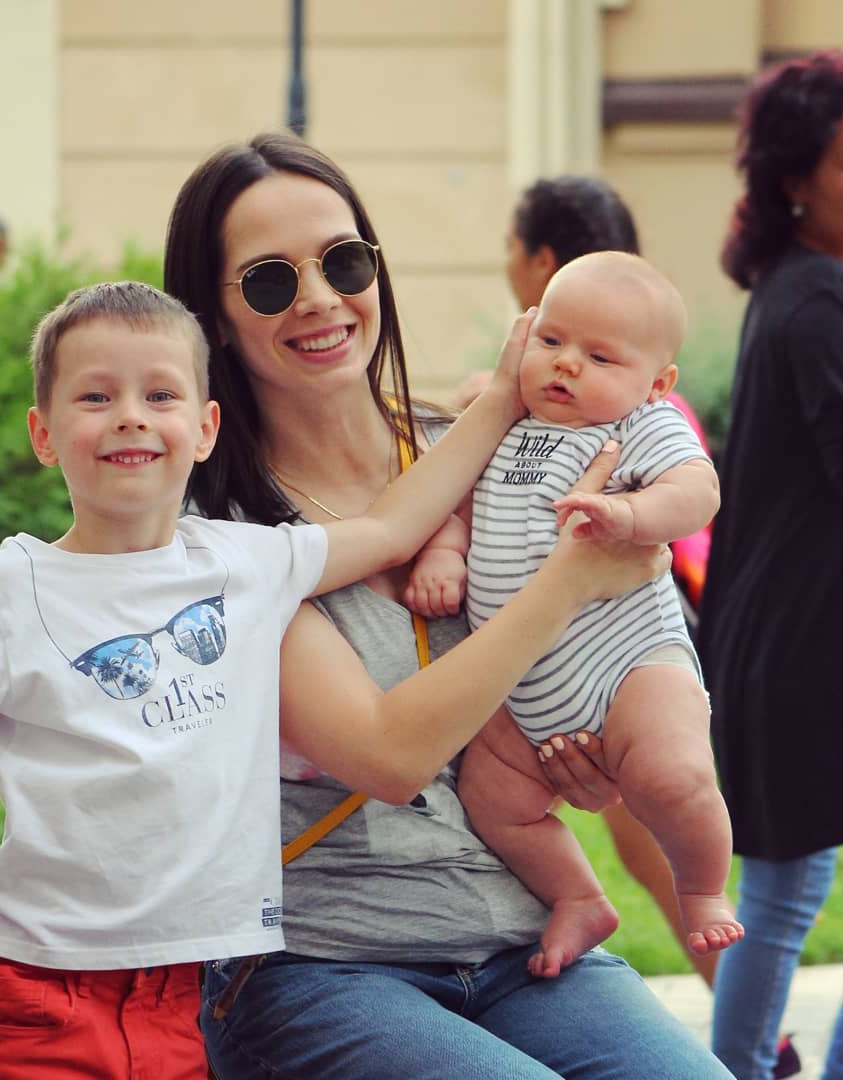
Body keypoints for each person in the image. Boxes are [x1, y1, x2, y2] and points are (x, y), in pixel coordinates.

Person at [0, 279, 597, 1078]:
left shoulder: (245, 563)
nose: (130, 415)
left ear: (205, 428)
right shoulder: (5, 593)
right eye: (95, 396)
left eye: (160, 394)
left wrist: (500, 399)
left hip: (189, 995)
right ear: (42, 433)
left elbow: (392, 527)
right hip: (33, 987)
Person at [164, 131, 733, 1078]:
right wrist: (567, 581)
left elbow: (623, 614)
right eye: (268, 280)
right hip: (321, 961)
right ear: (213, 318)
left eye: (344, 262)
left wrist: (591, 750)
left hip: (517, 938)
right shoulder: (213, 532)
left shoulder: (487, 444)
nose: (320, 298)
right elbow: (389, 756)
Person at [407, 250, 739, 978]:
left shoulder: (640, 425)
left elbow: (699, 490)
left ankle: (701, 888)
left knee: (673, 777)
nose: (566, 364)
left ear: (657, 383)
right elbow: (457, 503)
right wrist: (445, 554)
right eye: (551, 340)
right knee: (494, 802)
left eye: (600, 356)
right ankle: (578, 896)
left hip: (629, 667)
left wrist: (631, 514)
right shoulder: (503, 424)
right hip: (521, 693)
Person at [698, 50, 843, 1080]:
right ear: (797, 178)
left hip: (785, 642)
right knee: (784, 893)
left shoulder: (798, 289)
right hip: (803, 652)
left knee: (780, 892)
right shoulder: (818, 298)